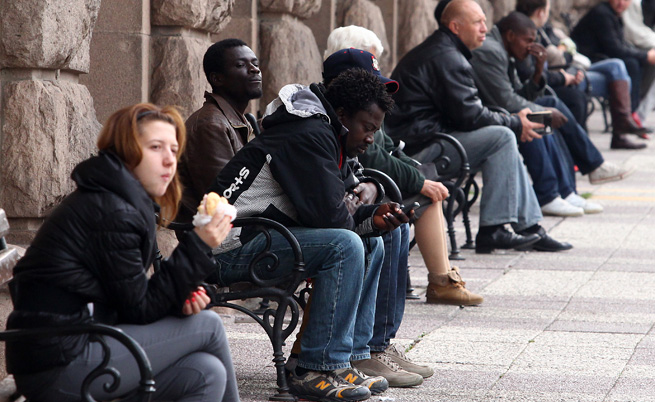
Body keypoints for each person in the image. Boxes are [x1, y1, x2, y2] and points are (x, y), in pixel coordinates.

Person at [5, 103, 239, 401]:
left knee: (206, 372)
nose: (170, 161)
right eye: (156, 147)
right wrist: (199, 244)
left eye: (174, 149)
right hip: (59, 362)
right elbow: (139, 308)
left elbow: (132, 295)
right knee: (209, 325)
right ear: (128, 152)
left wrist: (183, 295)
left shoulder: (122, 199)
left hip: (82, 343)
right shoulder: (111, 210)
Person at [208, 68, 408, 401]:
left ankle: (349, 356)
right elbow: (331, 218)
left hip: (266, 235)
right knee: (345, 246)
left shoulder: (326, 131)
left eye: (376, 130)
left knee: (371, 242)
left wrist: (373, 218)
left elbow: (328, 211)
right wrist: (358, 218)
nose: (371, 138)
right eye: (367, 127)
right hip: (226, 245)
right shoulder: (308, 134)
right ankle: (312, 368)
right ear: (343, 114)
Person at [385, 0, 570, 253]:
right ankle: (496, 230)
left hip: (431, 139)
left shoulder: (447, 51)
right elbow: (470, 115)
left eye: (484, 21)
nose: (485, 28)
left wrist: (512, 119)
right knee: (503, 137)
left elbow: (467, 111)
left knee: (503, 136)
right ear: (455, 26)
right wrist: (515, 121)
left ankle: (528, 229)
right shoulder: (446, 56)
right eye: (477, 22)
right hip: (418, 152)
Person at [323, 27, 483, 307]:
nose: (378, 71)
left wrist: (416, 172)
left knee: (419, 197)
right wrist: (419, 182)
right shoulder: (346, 108)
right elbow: (373, 157)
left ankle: (439, 282)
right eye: (370, 64)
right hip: (354, 192)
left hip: (367, 185)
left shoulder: (361, 105)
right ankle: (441, 281)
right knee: (418, 202)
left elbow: (383, 148)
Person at [516, 0, 650, 145]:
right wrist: (563, 74)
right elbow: (544, 65)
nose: (621, 3)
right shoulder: (527, 33)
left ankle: (621, 125)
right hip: (555, 79)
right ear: (540, 12)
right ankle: (614, 132)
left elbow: (553, 57)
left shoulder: (541, 29)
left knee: (619, 67)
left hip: (563, 73)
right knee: (571, 99)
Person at [177, 38, 262, 224]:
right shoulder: (211, 125)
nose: (254, 69)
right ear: (217, 78)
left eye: (255, 64)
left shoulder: (237, 119)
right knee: (339, 241)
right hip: (222, 240)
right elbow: (224, 199)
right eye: (241, 64)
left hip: (247, 229)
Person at [572, 0, 655, 130]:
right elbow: (615, 49)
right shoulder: (602, 14)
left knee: (635, 63)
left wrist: (644, 55)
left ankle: (630, 116)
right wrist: (645, 56)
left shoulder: (614, 14)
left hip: (602, 58)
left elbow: (621, 44)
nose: (621, 3)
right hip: (589, 61)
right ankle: (627, 118)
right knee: (631, 64)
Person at [622, 0, 655, 124]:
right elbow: (632, 33)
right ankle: (638, 115)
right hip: (631, 48)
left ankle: (640, 114)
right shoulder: (628, 4)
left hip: (639, 45)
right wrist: (646, 55)